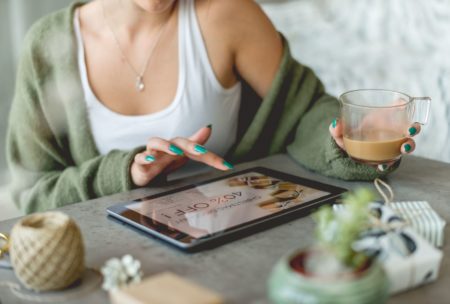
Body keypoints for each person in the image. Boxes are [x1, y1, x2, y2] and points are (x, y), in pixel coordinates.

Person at [6, 0, 420, 214]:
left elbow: (306, 112)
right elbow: (32, 194)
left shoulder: (227, 14)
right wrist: (125, 173)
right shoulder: (47, 47)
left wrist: (345, 138)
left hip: (237, 249)